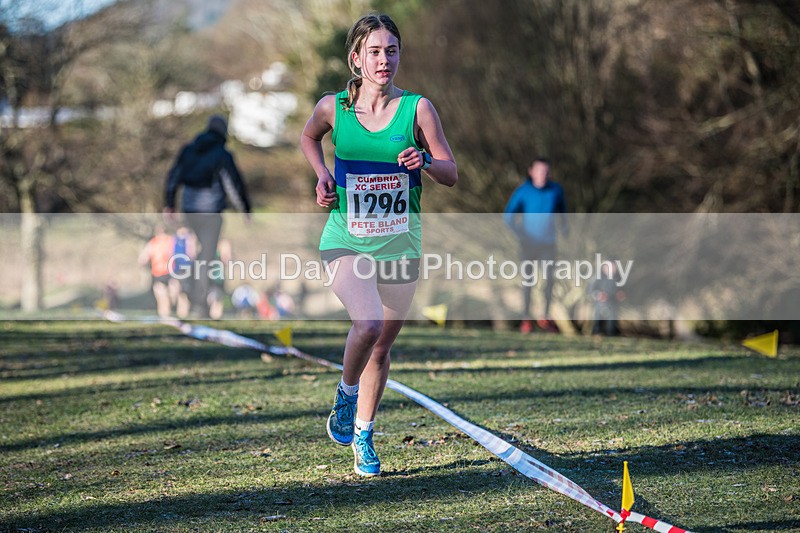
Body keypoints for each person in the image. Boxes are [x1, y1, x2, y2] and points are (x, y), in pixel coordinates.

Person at [300, 13, 457, 477]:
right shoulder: (334, 108)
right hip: (345, 236)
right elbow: (309, 137)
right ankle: (345, 399)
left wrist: (425, 159)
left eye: (391, 50)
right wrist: (323, 175)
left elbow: (451, 173)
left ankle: (364, 436)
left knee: (382, 349)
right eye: (374, 51)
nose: (384, 59)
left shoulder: (418, 110)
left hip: (400, 245)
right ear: (356, 58)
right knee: (366, 324)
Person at [164, 115, 252, 318]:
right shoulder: (222, 154)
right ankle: (199, 303)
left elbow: (173, 177)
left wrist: (169, 203)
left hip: (189, 209)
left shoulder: (188, 151)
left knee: (197, 252)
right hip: (211, 211)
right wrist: (244, 209)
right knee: (208, 255)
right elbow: (232, 184)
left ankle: (189, 286)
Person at [504, 158, 567, 334]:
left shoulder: (556, 190)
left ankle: (545, 316)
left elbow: (562, 212)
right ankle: (526, 319)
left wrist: (564, 228)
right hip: (528, 244)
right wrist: (520, 235)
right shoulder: (523, 191)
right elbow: (509, 216)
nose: (543, 175)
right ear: (531, 171)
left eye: (546, 171)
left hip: (549, 243)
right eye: (540, 171)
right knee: (528, 282)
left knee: (549, 279)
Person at [138, 226, 176, 318]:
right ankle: (166, 317)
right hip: (171, 273)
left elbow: (142, 260)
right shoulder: (172, 240)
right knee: (169, 297)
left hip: (159, 273)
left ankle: (164, 317)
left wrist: (147, 266)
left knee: (163, 298)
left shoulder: (153, 243)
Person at [589, 261, 625, 336]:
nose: (611, 269)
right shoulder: (598, 277)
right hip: (600, 304)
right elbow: (591, 290)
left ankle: (612, 335)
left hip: (613, 303)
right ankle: (597, 334)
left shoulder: (619, 278)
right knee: (598, 320)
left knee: (612, 321)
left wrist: (621, 294)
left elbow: (622, 290)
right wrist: (598, 295)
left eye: (613, 267)